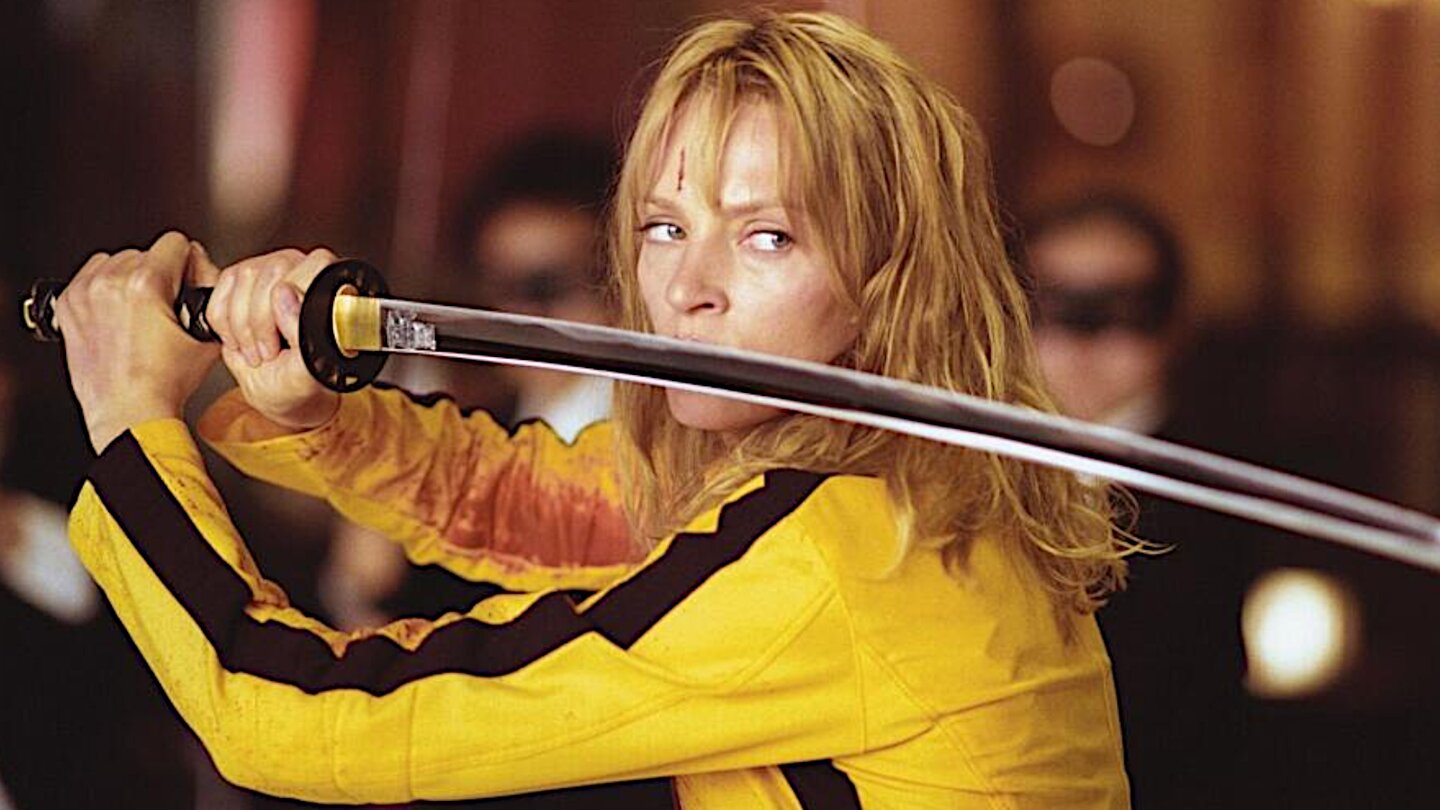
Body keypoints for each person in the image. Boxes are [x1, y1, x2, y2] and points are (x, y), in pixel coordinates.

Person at [53, 12, 1132, 806]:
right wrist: (314, 417)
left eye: (768, 236)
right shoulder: (884, 482)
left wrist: (131, 421)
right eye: (666, 227)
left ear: (891, 281)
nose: (688, 286)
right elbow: (533, 503)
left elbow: (296, 719)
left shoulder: (840, 560)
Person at [1024, 193, 1249, 808]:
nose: (1083, 339)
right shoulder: (970, 476)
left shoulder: (1220, 489)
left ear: (1172, 323)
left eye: (1121, 310)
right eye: (1056, 306)